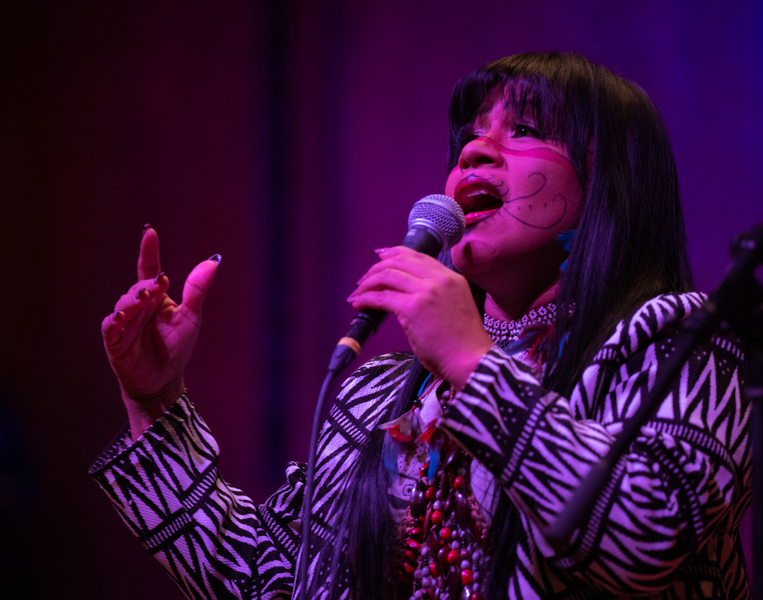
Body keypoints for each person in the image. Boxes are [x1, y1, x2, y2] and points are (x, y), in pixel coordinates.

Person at [89, 52, 751, 599]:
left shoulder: (683, 346)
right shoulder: (384, 395)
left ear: (609, 183)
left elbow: (650, 532)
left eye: (523, 129)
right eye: (466, 137)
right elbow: (270, 581)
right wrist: (155, 402)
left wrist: (474, 362)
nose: (474, 154)